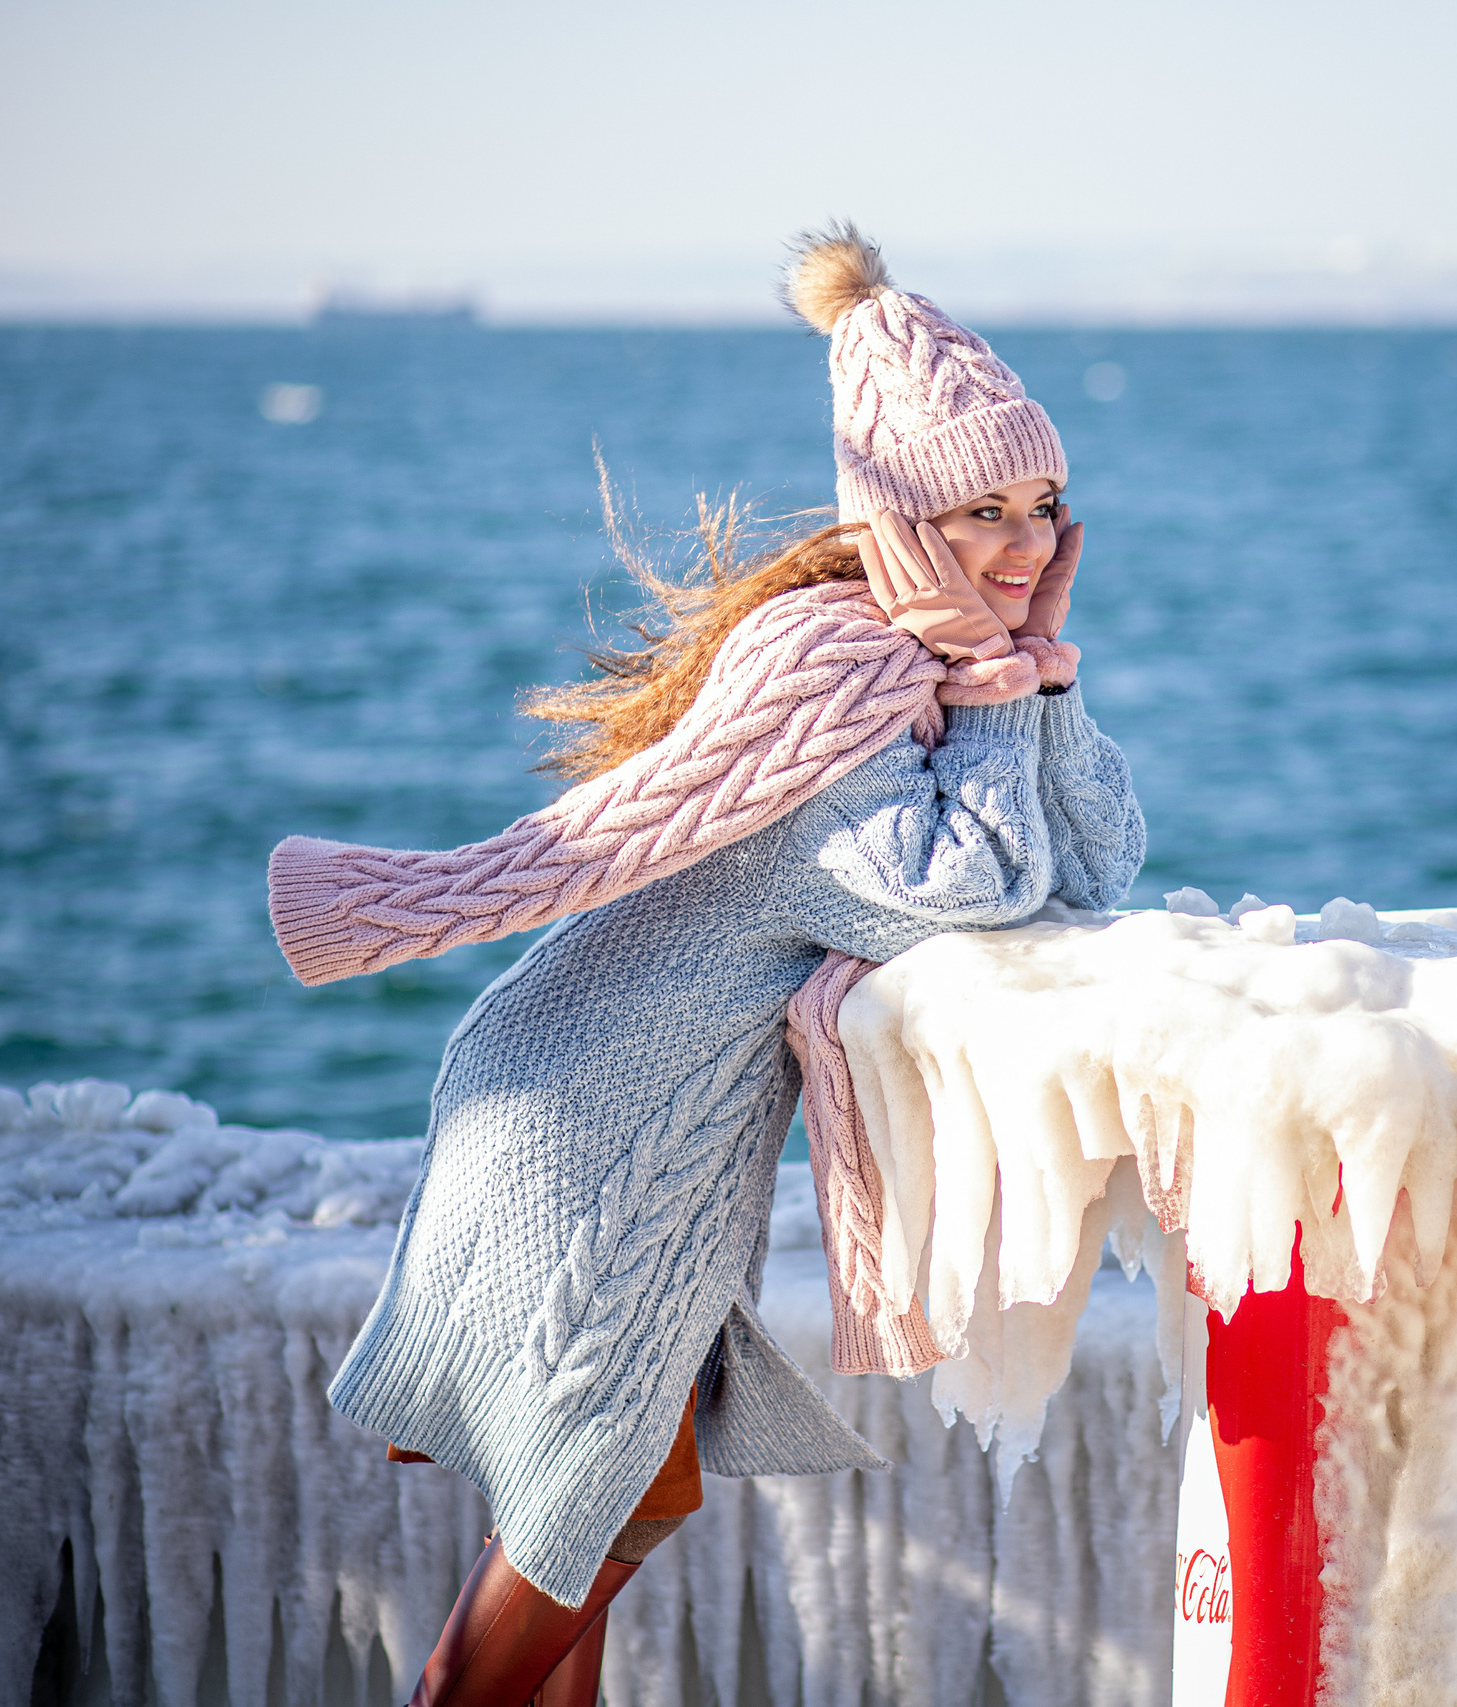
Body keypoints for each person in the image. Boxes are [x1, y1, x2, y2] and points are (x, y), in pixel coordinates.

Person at [263, 224, 1146, 1706]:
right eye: (980, 508)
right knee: (604, 1501)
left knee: (611, 1495)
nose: (1025, 544)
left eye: (1044, 503)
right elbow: (966, 891)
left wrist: (1038, 678)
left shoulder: (934, 650)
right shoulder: (841, 667)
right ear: (902, 518)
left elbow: (1098, 858)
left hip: (634, 1111)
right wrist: (1001, 696)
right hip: (583, 1118)